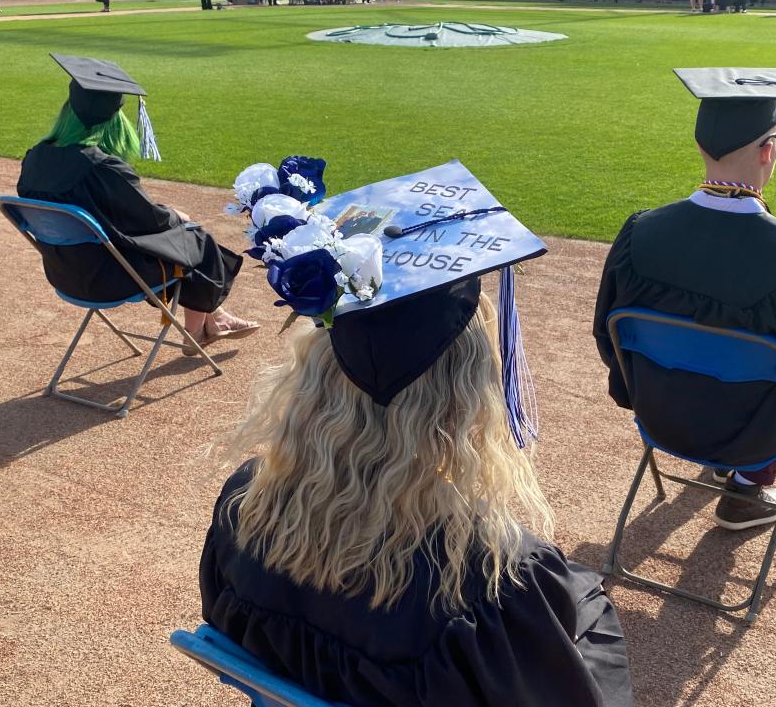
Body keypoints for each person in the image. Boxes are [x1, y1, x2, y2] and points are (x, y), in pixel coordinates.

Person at [201, 207, 634, 706]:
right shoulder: (490, 578)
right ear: (463, 403)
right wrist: (584, 600)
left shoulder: (245, 505)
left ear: (316, 375)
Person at [593, 68, 776, 531]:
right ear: (769, 150)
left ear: (699, 146)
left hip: (660, 417)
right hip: (751, 435)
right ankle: (748, 488)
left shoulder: (639, 234)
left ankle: (719, 462)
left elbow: (608, 338)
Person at [17, 55, 258, 354]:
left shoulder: (35, 158)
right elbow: (151, 221)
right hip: (111, 277)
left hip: (65, 272)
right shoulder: (104, 168)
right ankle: (197, 330)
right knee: (194, 237)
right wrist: (176, 215)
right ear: (114, 118)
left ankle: (214, 320)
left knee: (179, 241)